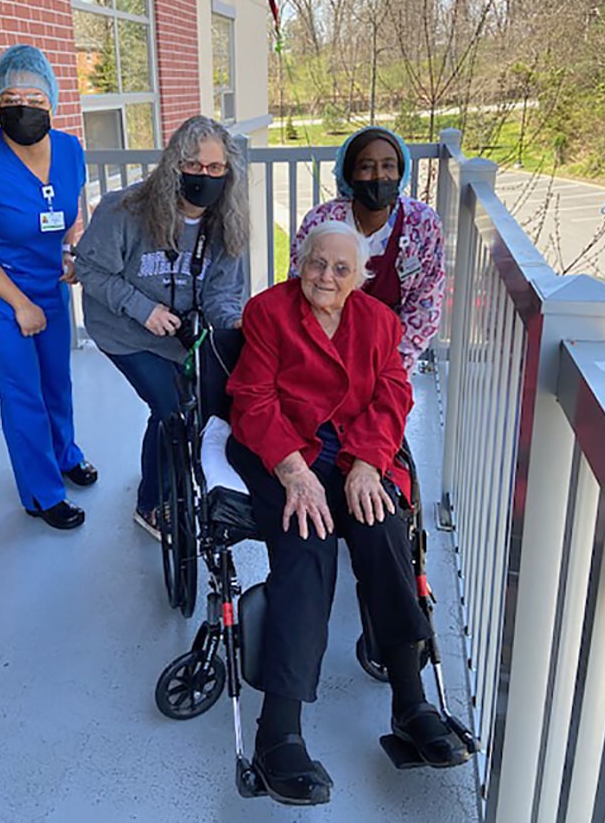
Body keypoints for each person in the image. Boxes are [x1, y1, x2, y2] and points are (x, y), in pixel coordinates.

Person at [226, 221, 467, 807]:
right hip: (281, 446)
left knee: (384, 530)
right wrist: (292, 470)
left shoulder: (377, 322)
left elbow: (392, 394)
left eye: (340, 268)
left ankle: (411, 705)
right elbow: (253, 399)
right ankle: (277, 733)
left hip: (354, 450)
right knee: (306, 547)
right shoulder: (268, 312)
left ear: (361, 276)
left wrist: (367, 463)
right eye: (315, 263)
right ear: (299, 262)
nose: (325, 277)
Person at [0, 44, 97, 531]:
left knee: (57, 380)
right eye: (10, 97)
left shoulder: (70, 149)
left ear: (51, 100)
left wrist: (72, 252)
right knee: (24, 391)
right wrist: (21, 303)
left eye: (34, 96)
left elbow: (76, 212)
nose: (23, 106)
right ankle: (42, 492)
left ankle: (65, 454)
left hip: (48, 285)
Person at [74, 114, 248, 539]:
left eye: (213, 168)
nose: (202, 176)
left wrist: (236, 324)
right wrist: (141, 308)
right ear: (173, 165)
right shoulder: (124, 208)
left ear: (227, 172)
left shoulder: (227, 223)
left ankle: (181, 475)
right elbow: (89, 270)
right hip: (124, 330)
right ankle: (151, 503)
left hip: (183, 334)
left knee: (204, 406)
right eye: (192, 165)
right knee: (170, 410)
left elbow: (222, 294)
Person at [290, 126, 444, 374]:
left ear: (401, 172)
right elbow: (299, 286)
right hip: (327, 345)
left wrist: (393, 364)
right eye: (366, 167)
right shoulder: (322, 219)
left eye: (388, 166)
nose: (378, 176)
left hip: (392, 349)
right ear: (349, 174)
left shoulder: (423, 223)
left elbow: (426, 302)